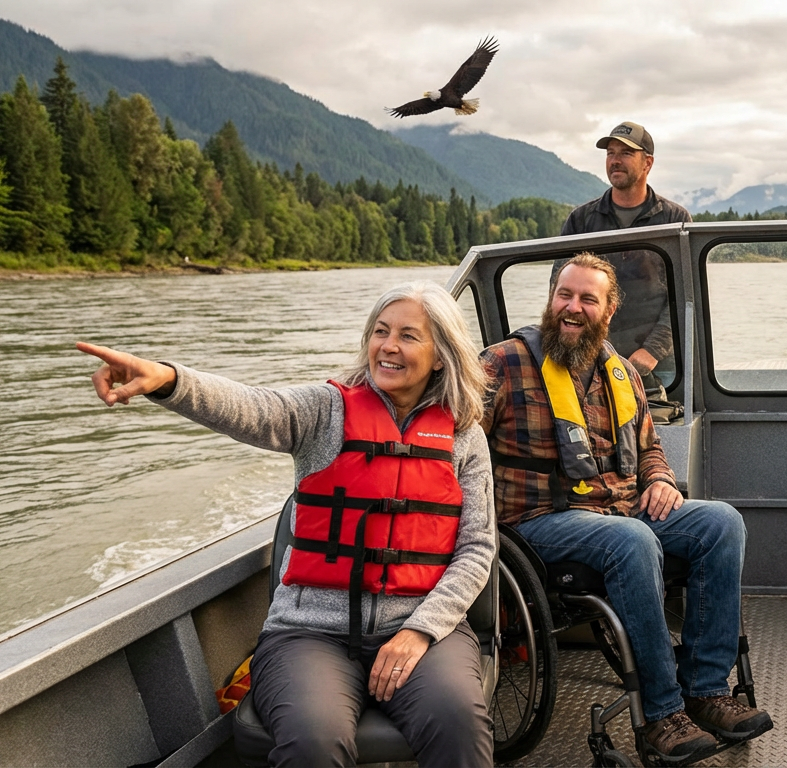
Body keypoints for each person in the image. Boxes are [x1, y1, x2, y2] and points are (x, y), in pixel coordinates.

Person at [77, 282, 495, 767]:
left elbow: (477, 548)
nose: (389, 346)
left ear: (441, 355)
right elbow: (250, 408)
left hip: (421, 628)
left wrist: (421, 630)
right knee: (313, 741)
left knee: (459, 723)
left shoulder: (463, 434)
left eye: (408, 336)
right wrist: (168, 379)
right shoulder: (325, 411)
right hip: (309, 634)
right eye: (380, 332)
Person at [480, 253, 771, 762]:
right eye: (564, 295)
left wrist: (660, 480)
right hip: (538, 523)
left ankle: (705, 691)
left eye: (587, 299)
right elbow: (455, 441)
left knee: (721, 522)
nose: (572, 308)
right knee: (631, 540)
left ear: (608, 311)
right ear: (551, 301)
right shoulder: (502, 364)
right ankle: (662, 714)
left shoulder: (623, 375)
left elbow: (651, 448)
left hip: (621, 510)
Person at [558, 121, 691, 391]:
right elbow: (559, 289)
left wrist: (652, 351)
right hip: (591, 353)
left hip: (660, 363)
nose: (615, 161)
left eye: (625, 153)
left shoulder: (675, 219)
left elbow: (686, 295)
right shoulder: (581, 219)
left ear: (648, 163)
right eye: (610, 153)